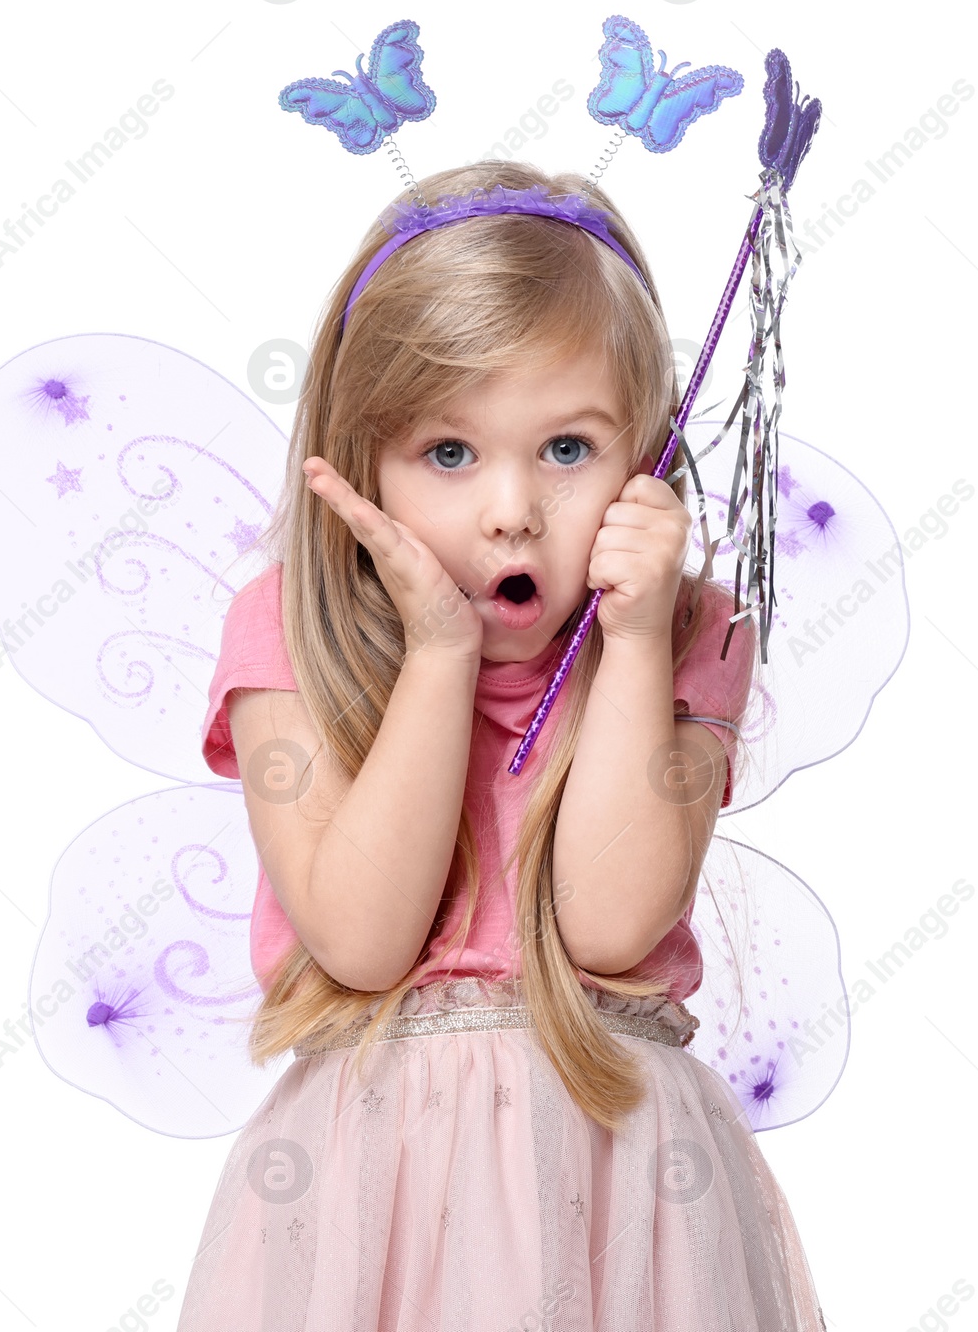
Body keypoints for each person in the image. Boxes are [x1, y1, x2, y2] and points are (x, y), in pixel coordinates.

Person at [174, 158, 828, 1331]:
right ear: (357, 455)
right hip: (373, 1192)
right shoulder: (285, 631)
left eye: (568, 450)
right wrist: (437, 656)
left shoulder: (690, 633)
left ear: (646, 452)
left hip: (626, 1184)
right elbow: (366, 938)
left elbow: (609, 920)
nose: (511, 508)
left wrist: (630, 643)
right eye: (449, 453)